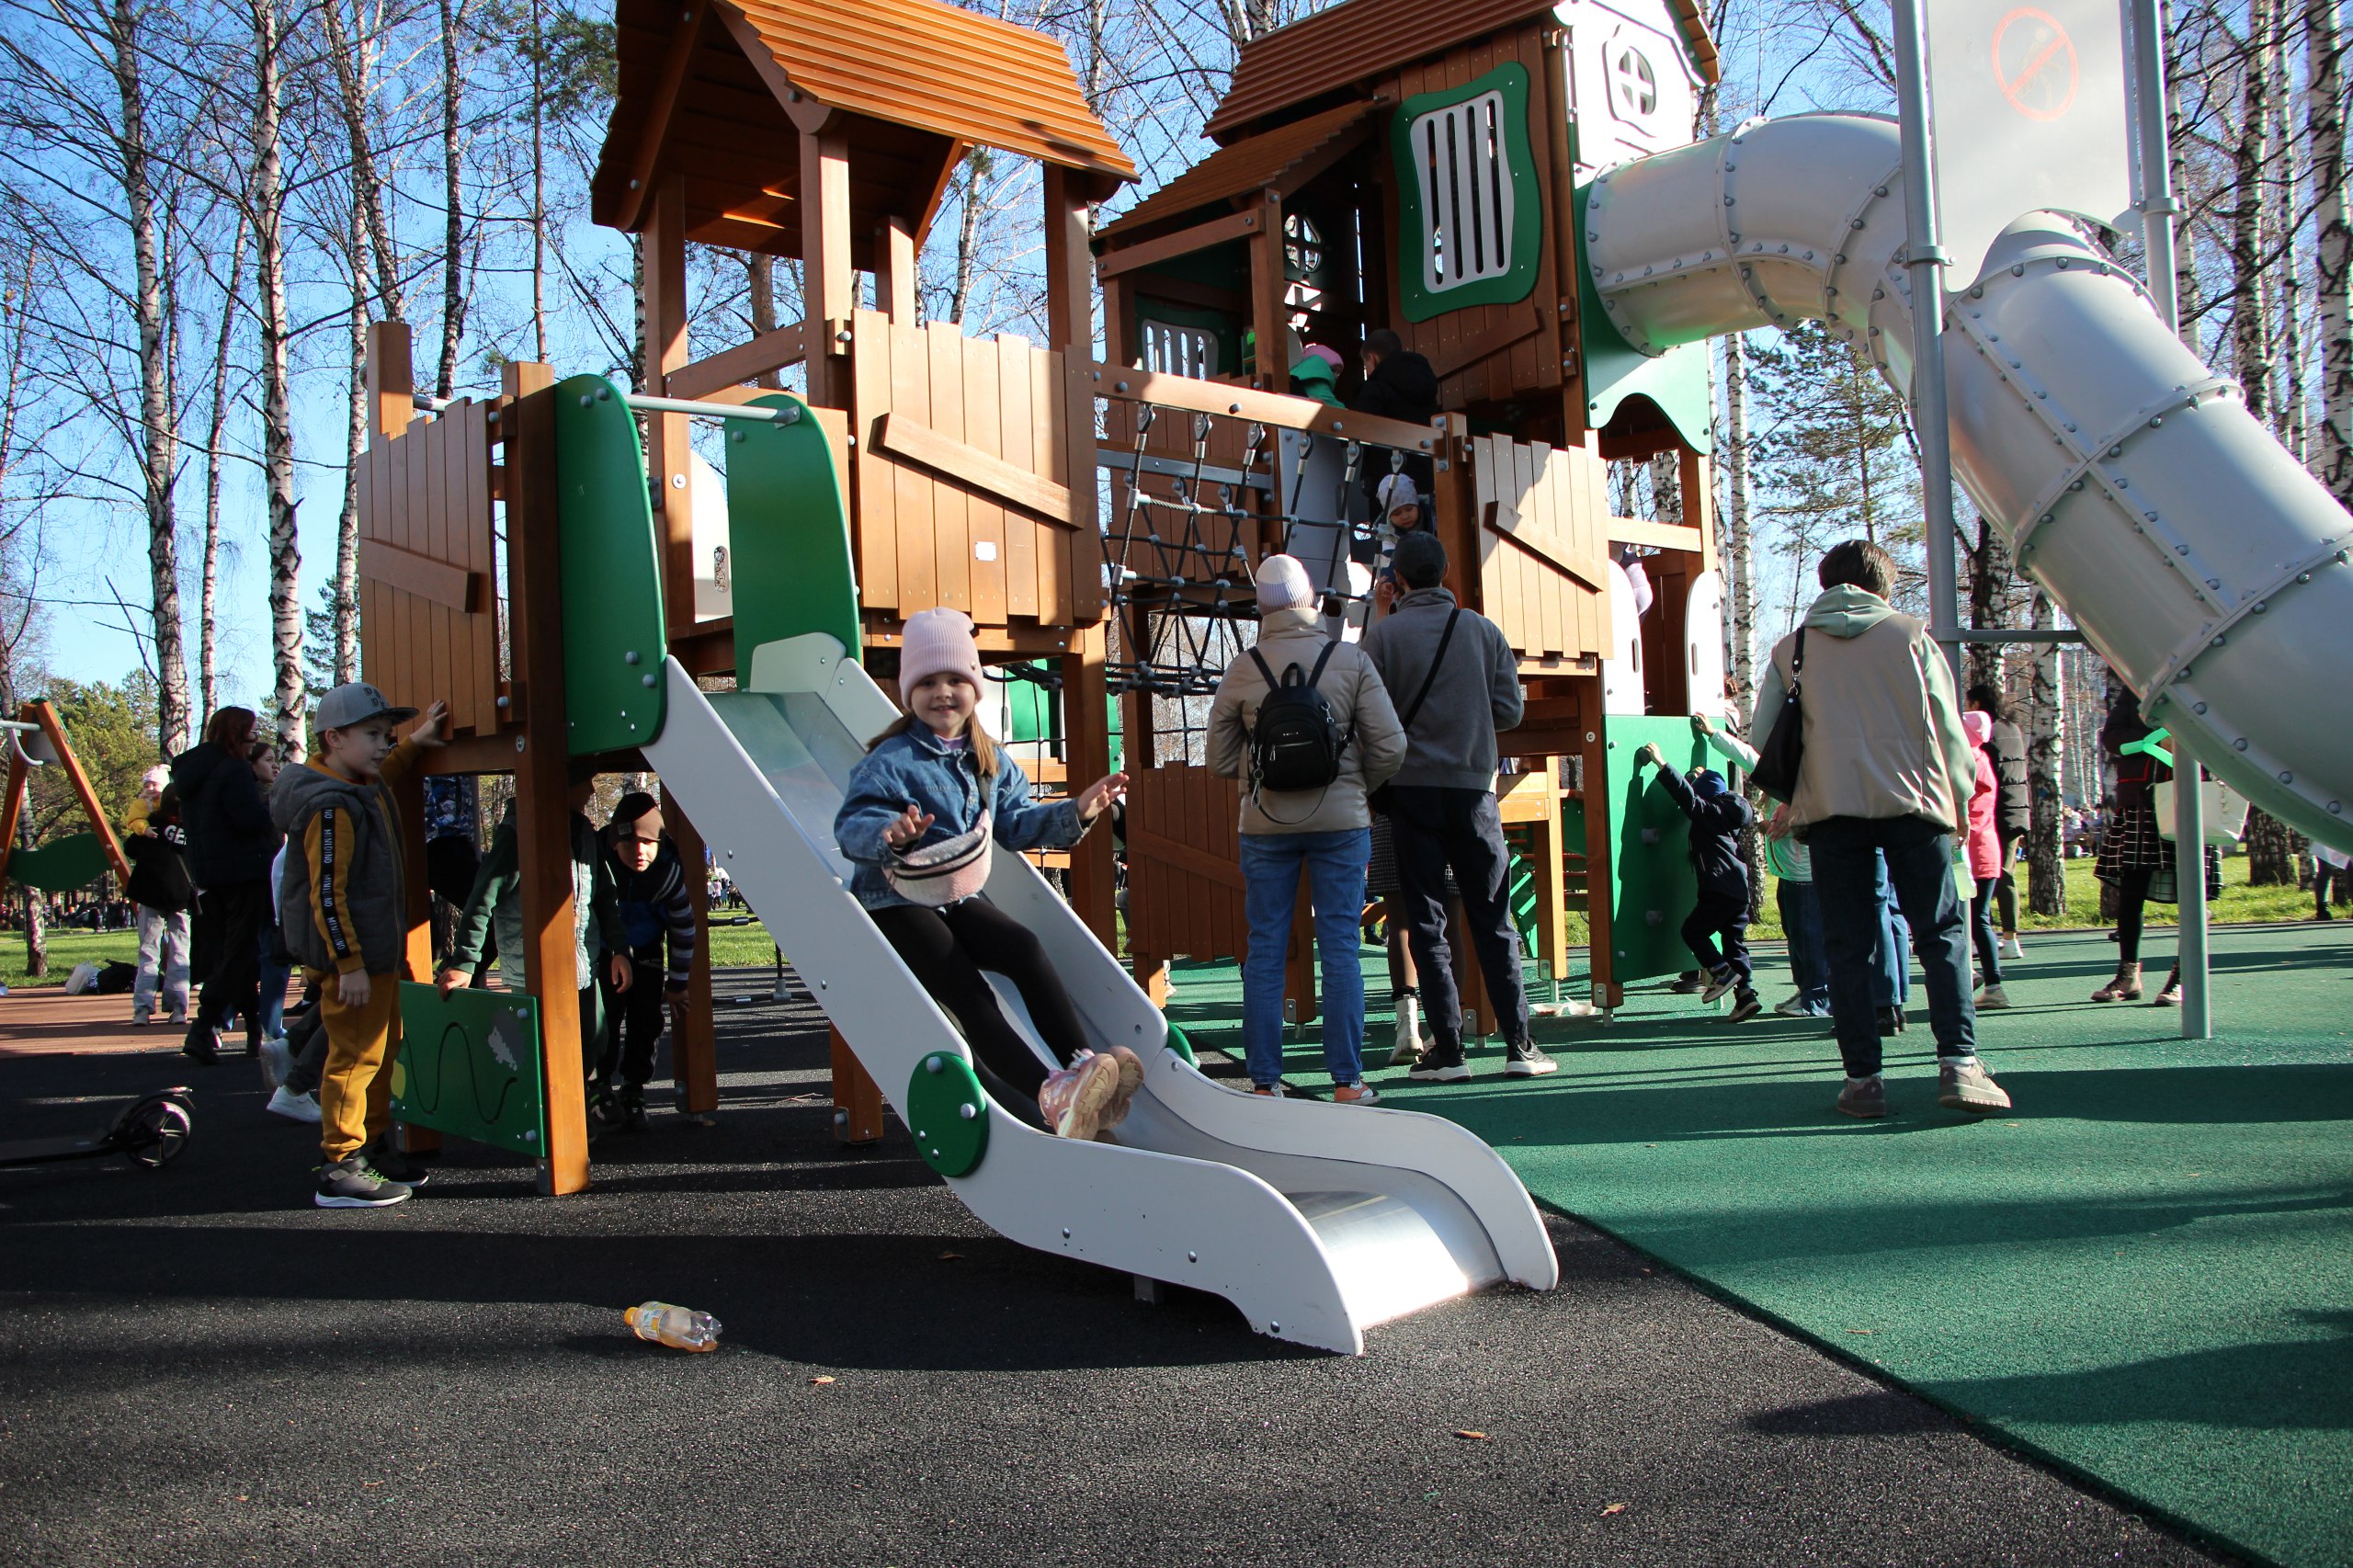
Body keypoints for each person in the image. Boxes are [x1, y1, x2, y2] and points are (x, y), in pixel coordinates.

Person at [833, 608, 1138, 1142]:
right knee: (967, 989)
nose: (943, 692)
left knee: (1024, 947)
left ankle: (1084, 1070)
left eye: (956, 679)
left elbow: (1017, 824)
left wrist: (1080, 811)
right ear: (910, 693)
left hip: (952, 894)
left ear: (975, 686)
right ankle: (1051, 1094)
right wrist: (890, 834)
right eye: (927, 682)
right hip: (895, 899)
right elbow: (851, 823)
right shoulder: (892, 759)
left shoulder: (987, 758)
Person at [1750, 540, 2009, 1118]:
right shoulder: (1912, 636)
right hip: (1914, 808)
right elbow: (1948, 730)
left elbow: (1767, 737)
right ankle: (1959, 1065)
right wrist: (1960, 800)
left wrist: (1795, 798)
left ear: (1826, 582)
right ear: (1883, 586)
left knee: (1847, 946)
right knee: (1941, 934)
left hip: (1832, 815)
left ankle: (1863, 1079)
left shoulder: (1792, 649)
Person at [1207, 554, 1405, 1100]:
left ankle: (1266, 1083)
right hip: (1341, 823)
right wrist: (1353, 787)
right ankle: (1347, 1081)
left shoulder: (1244, 667)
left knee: (1266, 946)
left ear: (1261, 608)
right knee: (1341, 942)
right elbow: (1391, 746)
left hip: (1265, 824)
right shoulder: (1350, 660)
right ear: (1312, 599)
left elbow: (1219, 761)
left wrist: (1263, 771)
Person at [1360, 530, 1555, 1081]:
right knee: (1493, 917)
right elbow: (1510, 711)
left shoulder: (1385, 637)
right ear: (1445, 574)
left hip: (1410, 792)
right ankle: (1519, 1045)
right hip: (1474, 790)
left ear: (1397, 580)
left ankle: (1448, 1049)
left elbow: (1367, 716)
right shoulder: (1482, 632)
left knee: (1425, 918)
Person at [271, 683, 449, 1208]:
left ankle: (371, 1145)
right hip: (357, 962)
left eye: (386, 735)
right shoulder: (331, 807)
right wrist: (346, 964)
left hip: (378, 956)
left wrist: (415, 742)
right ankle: (340, 1164)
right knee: (353, 1058)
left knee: (382, 1048)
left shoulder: (360, 786)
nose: (382, 745)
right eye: (372, 735)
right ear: (333, 738)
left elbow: (387, 776)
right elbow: (329, 891)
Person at [438, 767, 631, 1125]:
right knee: (545, 1043)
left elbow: (605, 895)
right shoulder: (518, 836)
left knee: (596, 1034)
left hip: (582, 961)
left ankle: (579, 1100)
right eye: (582, 781)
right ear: (558, 787)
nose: (591, 790)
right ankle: (554, 1119)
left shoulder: (585, 832)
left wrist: (619, 949)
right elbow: (482, 897)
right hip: (535, 964)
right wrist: (465, 962)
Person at [172, 706, 283, 1067]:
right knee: (239, 953)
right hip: (244, 871)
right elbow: (248, 820)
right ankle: (204, 1027)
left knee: (237, 953)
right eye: (250, 732)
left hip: (209, 873)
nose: (254, 738)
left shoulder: (193, 771)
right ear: (236, 734)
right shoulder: (233, 770)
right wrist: (272, 811)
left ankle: (252, 1029)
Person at [2091, 689, 2218, 1006]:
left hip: (2191, 799)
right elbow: (2112, 738)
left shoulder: (2206, 683)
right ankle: (2128, 974)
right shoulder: (2135, 689)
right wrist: (2157, 738)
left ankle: (2184, 976)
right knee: (2131, 893)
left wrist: (2168, 741)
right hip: (2140, 801)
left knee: (2193, 893)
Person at [1636, 745, 1761, 1022]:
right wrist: (1699, 777)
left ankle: (1720, 971)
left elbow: (1686, 795)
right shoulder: (1730, 814)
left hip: (1718, 888)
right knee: (1734, 942)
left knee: (1693, 931)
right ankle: (1746, 995)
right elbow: (1697, 793)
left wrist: (1662, 762)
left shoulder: (1707, 814)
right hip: (1739, 890)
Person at [597, 791, 698, 1131]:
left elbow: (683, 929)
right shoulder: (599, 867)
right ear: (614, 845)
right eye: (629, 844)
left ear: (659, 842)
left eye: (647, 843)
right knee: (603, 1020)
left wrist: (678, 985)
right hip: (606, 953)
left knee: (647, 1020)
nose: (639, 852)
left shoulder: (666, 875)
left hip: (646, 951)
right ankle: (599, 1085)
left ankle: (634, 1088)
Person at [123, 783, 193, 1028]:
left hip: (150, 892)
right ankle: (179, 1007)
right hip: (181, 896)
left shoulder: (151, 825)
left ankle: (142, 1008)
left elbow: (130, 848)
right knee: (180, 952)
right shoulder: (193, 828)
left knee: (148, 951)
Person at [1968, 683, 2029, 959]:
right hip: (2017, 807)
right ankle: (2007, 935)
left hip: (1996, 811)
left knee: (1997, 875)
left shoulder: (1986, 734)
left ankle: (2007, 937)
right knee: (2005, 872)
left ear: (1978, 704)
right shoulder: (2013, 729)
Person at [1352, 328, 1438, 513]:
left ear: (1372, 357)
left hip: (1389, 483)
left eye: (1365, 364)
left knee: (1389, 538)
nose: (1367, 370)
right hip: (1426, 478)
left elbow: (1357, 425)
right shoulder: (1424, 382)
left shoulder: (1375, 388)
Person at [1961, 711, 2011, 1009]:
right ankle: (1981, 977)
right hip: (1986, 851)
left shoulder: (1969, 761)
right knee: (1977, 919)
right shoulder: (1981, 758)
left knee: (1974, 919)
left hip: (1974, 853)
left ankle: (1991, 982)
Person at [2315, 842, 2352, 920]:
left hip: (2322, 835)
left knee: (2325, 869)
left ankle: (2322, 910)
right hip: (2334, 835)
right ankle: (2322, 909)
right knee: (2349, 866)